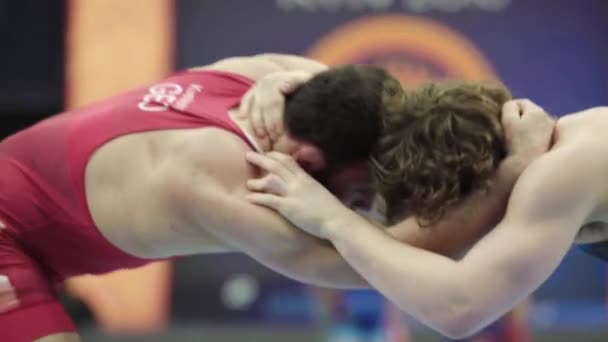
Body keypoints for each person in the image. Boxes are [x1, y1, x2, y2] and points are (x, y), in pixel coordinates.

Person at [0, 54, 534, 342]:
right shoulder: (228, 183)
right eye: (358, 193)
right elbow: (386, 265)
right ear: (307, 162)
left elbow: (346, 85)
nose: (361, 205)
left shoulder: (265, 77)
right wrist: (509, 180)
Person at [244, 80, 571, 339]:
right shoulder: (548, 162)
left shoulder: (554, 177)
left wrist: (333, 219)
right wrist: (279, 81)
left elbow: (458, 311)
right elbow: (330, 88)